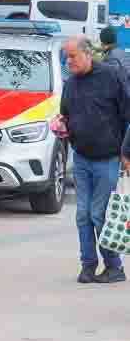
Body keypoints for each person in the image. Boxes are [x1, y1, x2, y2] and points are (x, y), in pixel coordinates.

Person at [54, 35, 130, 283]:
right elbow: (65, 113)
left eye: (73, 57)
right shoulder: (72, 83)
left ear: (88, 54)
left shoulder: (112, 77)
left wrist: (127, 153)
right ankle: (88, 265)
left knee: (99, 214)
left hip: (108, 158)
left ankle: (114, 267)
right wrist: (61, 124)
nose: (69, 62)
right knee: (82, 215)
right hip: (82, 158)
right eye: (66, 58)